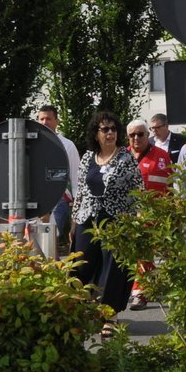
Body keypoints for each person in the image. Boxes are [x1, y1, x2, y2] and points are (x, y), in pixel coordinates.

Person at [72, 111, 142, 320]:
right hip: (87, 219)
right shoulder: (87, 158)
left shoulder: (126, 157)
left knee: (113, 269)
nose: (110, 133)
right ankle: (78, 310)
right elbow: (81, 192)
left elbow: (139, 190)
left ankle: (109, 317)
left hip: (116, 220)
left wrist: (138, 220)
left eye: (113, 129)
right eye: (105, 129)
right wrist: (74, 222)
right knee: (80, 266)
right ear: (96, 134)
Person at [127, 119, 173, 305]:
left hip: (158, 215)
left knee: (160, 254)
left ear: (148, 135)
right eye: (132, 135)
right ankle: (140, 292)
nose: (136, 138)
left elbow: (170, 186)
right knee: (140, 254)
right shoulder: (122, 157)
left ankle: (150, 287)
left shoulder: (162, 156)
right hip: (130, 217)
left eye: (140, 134)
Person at [35, 104, 81, 251]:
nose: (44, 122)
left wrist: (77, 205)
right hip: (34, 199)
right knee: (33, 243)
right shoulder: (30, 144)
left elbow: (75, 177)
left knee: (50, 240)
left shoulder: (68, 146)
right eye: (41, 119)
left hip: (59, 199)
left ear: (56, 121)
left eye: (48, 118)